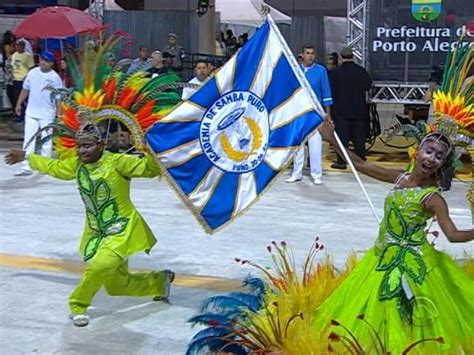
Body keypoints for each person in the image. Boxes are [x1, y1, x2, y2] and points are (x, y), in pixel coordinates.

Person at [314, 118, 474, 353]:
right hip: (382, 258)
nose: (431, 158)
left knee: (410, 315)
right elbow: (361, 165)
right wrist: (332, 139)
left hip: (414, 266)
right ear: (417, 152)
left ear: (442, 164)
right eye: (429, 151)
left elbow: (452, 234)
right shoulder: (399, 177)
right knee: (377, 315)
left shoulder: (433, 198)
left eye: (439, 156)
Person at [4, 124, 175, 327]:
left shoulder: (118, 162)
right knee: (116, 286)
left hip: (121, 229)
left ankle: (78, 305)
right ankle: (158, 282)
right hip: (96, 233)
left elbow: (149, 169)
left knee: (100, 265)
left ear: (101, 145)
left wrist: (151, 149)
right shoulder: (78, 165)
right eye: (79, 146)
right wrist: (27, 157)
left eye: (87, 145)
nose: (82, 150)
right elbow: (55, 167)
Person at [286, 44, 333, 185]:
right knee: (298, 145)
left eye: (312, 53)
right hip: (299, 113)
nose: (310, 56)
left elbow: (326, 92)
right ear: (302, 55)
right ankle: (296, 173)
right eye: (307, 53)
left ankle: (316, 174)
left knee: (315, 145)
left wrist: (327, 114)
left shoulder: (320, 71)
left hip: (315, 114)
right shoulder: (296, 71)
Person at [13, 50, 62, 176]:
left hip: (47, 113)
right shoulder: (32, 73)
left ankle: (45, 166)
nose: (43, 62)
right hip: (31, 112)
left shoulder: (55, 78)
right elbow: (25, 89)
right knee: (29, 140)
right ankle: (26, 166)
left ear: (51, 63)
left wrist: (59, 113)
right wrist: (18, 104)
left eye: (46, 61)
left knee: (46, 141)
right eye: (42, 59)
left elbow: (58, 97)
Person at [330, 47, 372, 170]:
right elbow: (368, 85)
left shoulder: (336, 73)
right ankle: (360, 163)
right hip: (359, 111)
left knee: (342, 139)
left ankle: (342, 162)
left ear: (342, 57)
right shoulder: (361, 71)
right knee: (359, 138)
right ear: (352, 56)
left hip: (341, 112)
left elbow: (332, 91)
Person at [11, 38, 35, 120]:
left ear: (24, 46)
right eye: (17, 45)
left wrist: (27, 77)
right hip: (16, 79)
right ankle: (19, 115)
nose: (18, 47)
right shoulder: (14, 55)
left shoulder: (28, 56)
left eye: (20, 45)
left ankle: (26, 114)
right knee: (17, 97)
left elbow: (31, 67)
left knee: (26, 98)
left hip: (24, 79)